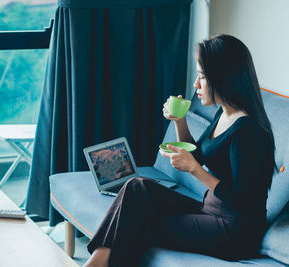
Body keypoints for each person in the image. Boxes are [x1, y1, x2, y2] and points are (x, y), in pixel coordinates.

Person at [83, 34, 277, 267]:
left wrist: (195, 170)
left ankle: (96, 265)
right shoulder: (224, 113)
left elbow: (243, 201)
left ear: (224, 77)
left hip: (234, 231)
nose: (196, 84)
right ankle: (97, 261)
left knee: (139, 222)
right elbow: (197, 155)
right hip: (210, 210)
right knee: (137, 188)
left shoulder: (247, 131)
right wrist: (179, 121)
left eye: (202, 77)